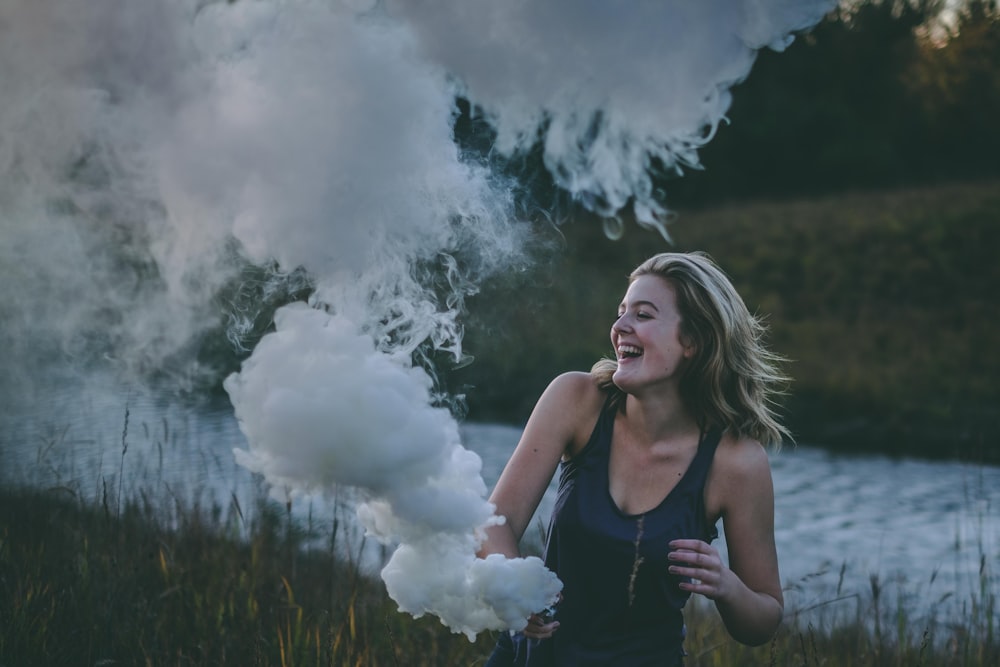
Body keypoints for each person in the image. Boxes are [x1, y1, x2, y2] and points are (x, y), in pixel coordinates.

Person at [479, 251, 788, 666]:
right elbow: (494, 524)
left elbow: (764, 620)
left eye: (643, 315)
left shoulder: (736, 463)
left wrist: (727, 587)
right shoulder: (576, 399)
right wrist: (517, 592)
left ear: (692, 341)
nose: (620, 326)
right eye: (621, 312)